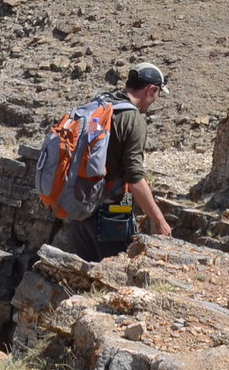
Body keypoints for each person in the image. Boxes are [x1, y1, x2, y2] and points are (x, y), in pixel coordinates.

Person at [64, 63, 175, 263]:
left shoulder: (101, 105)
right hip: (111, 214)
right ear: (150, 89)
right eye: (157, 93)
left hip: (79, 206)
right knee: (113, 277)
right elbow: (134, 178)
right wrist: (159, 221)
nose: (155, 100)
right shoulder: (132, 119)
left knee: (85, 279)